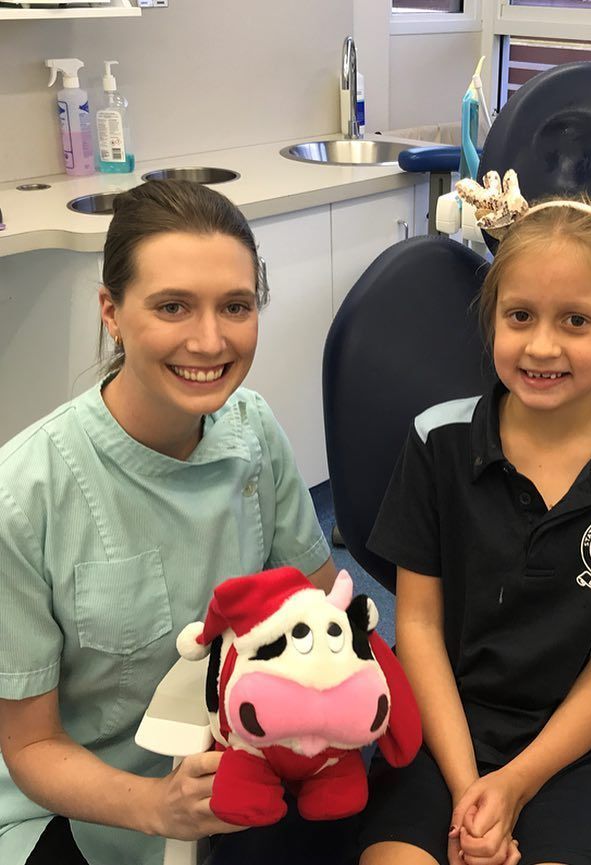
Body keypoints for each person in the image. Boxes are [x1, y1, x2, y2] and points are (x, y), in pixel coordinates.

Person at [357, 200, 591, 865]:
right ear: (492, 316)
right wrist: (469, 790)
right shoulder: (436, 441)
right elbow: (420, 627)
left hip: (571, 746)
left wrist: (515, 783)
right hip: (442, 724)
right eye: (520, 316)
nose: (542, 346)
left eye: (576, 320)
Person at [0, 180, 337, 865]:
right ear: (112, 312)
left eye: (235, 306)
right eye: (172, 306)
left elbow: (323, 602)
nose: (209, 341)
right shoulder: (25, 496)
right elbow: (32, 744)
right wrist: (158, 806)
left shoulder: (253, 430)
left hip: (248, 767)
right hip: (89, 806)